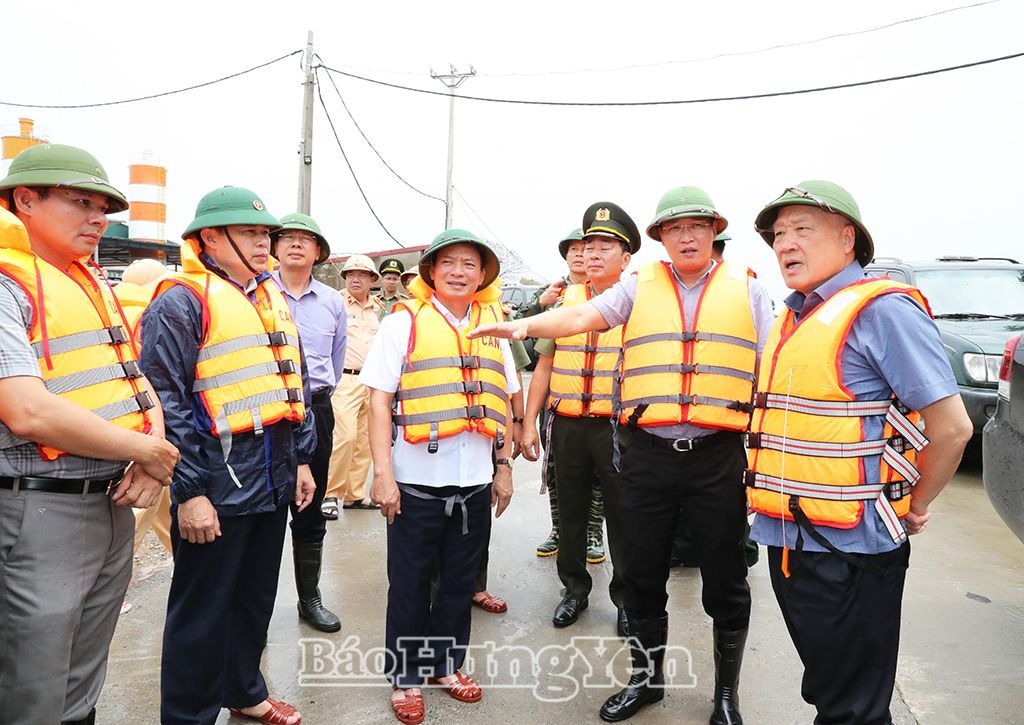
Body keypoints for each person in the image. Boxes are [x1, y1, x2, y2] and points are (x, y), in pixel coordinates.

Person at [469, 185, 775, 724]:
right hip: (648, 454)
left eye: (696, 227)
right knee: (642, 575)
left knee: (726, 579)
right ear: (661, 237)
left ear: (713, 232)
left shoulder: (747, 289)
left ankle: (726, 695)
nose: (686, 237)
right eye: (675, 228)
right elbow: (578, 318)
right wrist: (524, 325)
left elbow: (769, 369)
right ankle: (646, 682)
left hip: (718, 456)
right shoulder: (638, 288)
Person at [747, 180, 973, 724]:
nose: (785, 244)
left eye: (803, 230)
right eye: (779, 235)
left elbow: (953, 428)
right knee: (832, 693)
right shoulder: (793, 315)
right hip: (790, 537)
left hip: (851, 550)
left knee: (855, 708)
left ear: (848, 239)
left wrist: (915, 503)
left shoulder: (883, 311)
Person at [0, 143, 179, 725]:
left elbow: (135, 379)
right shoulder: (7, 285)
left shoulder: (89, 282)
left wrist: (151, 457)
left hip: (108, 500)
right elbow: (26, 411)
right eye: (81, 203)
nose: (98, 218)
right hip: (38, 508)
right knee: (32, 684)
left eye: (103, 208)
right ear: (25, 200)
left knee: (83, 678)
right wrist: (146, 450)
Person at [142, 186, 316, 725]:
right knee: (202, 612)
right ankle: (188, 716)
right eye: (249, 233)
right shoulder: (180, 301)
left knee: (254, 598)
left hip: (273, 477)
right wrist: (191, 492)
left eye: (265, 233)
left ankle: (244, 690)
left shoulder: (268, 298)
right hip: (217, 484)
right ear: (210, 239)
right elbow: (166, 401)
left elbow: (295, 384)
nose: (263, 243)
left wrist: (301, 460)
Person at [363, 229, 517, 725]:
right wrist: (383, 475)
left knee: (457, 582)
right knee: (409, 584)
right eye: (447, 262)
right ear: (430, 272)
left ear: (483, 274)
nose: (458, 271)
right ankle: (406, 676)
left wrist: (503, 468)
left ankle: (445, 665)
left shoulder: (494, 328)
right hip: (415, 482)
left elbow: (502, 401)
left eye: (469, 263)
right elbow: (379, 402)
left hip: (474, 481)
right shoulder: (402, 323)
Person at [521, 204, 638, 636]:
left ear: (626, 257)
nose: (592, 253)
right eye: (588, 245)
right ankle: (574, 589)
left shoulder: (639, 303)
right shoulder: (564, 302)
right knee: (569, 514)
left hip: (617, 428)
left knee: (624, 517)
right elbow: (544, 367)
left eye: (605, 245)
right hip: (568, 424)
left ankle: (627, 601)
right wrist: (528, 422)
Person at [271, 212, 348, 633]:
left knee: (309, 503)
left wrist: (317, 400)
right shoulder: (258, 294)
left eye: (306, 239)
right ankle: (255, 609)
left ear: (318, 252)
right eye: (288, 237)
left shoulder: (333, 302)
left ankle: (309, 599)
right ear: (275, 247)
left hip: (315, 409)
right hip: (268, 413)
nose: (296, 244)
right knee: (263, 509)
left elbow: (336, 360)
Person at [517, 228, 606, 563]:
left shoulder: (614, 297)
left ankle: (594, 531)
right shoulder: (555, 297)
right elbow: (537, 356)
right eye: (574, 250)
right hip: (559, 407)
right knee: (557, 472)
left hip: (602, 408)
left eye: (586, 248)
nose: (581, 255)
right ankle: (560, 529)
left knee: (600, 477)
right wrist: (528, 421)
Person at [113, 259, 175, 558]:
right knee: (140, 512)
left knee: (163, 508)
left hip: (116, 427)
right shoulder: (155, 315)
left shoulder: (108, 312)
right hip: (153, 425)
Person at [324, 254, 383, 516]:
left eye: (361, 275)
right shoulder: (335, 302)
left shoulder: (376, 308)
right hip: (344, 379)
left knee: (365, 440)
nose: (355, 279)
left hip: (371, 380)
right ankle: (331, 493)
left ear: (372, 280)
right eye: (350, 274)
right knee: (344, 437)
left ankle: (354, 494)